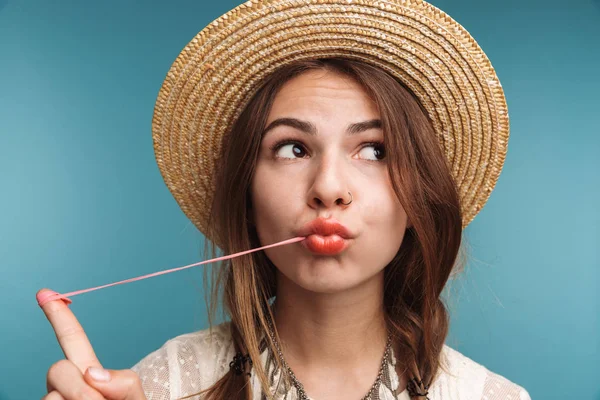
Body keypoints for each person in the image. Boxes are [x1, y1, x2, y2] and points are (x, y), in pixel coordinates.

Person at [39, 1, 531, 399]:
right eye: (293, 148)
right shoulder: (162, 386)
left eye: (375, 150)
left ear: (417, 203)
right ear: (247, 197)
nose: (329, 188)